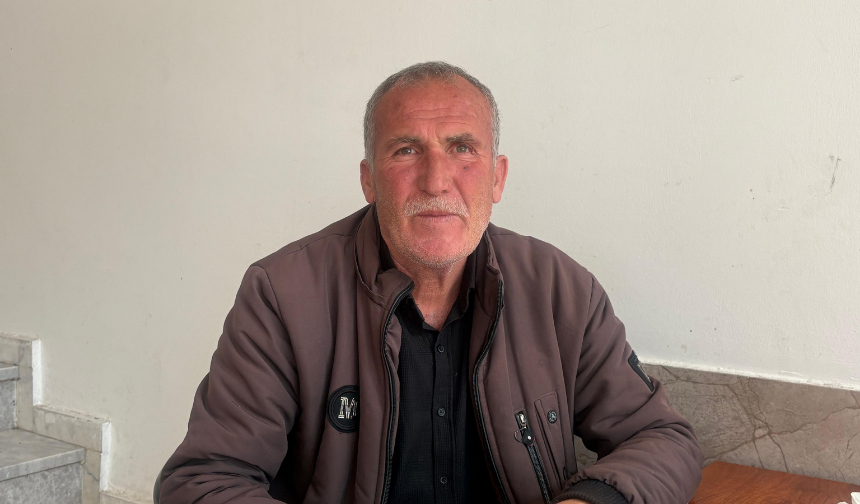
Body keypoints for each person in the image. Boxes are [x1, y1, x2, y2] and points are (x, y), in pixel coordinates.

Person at [157, 61, 703, 504]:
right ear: (369, 180)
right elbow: (202, 482)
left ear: (498, 178)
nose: (436, 180)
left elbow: (662, 438)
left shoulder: (562, 290)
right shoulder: (281, 295)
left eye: (463, 148)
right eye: (406, 150)